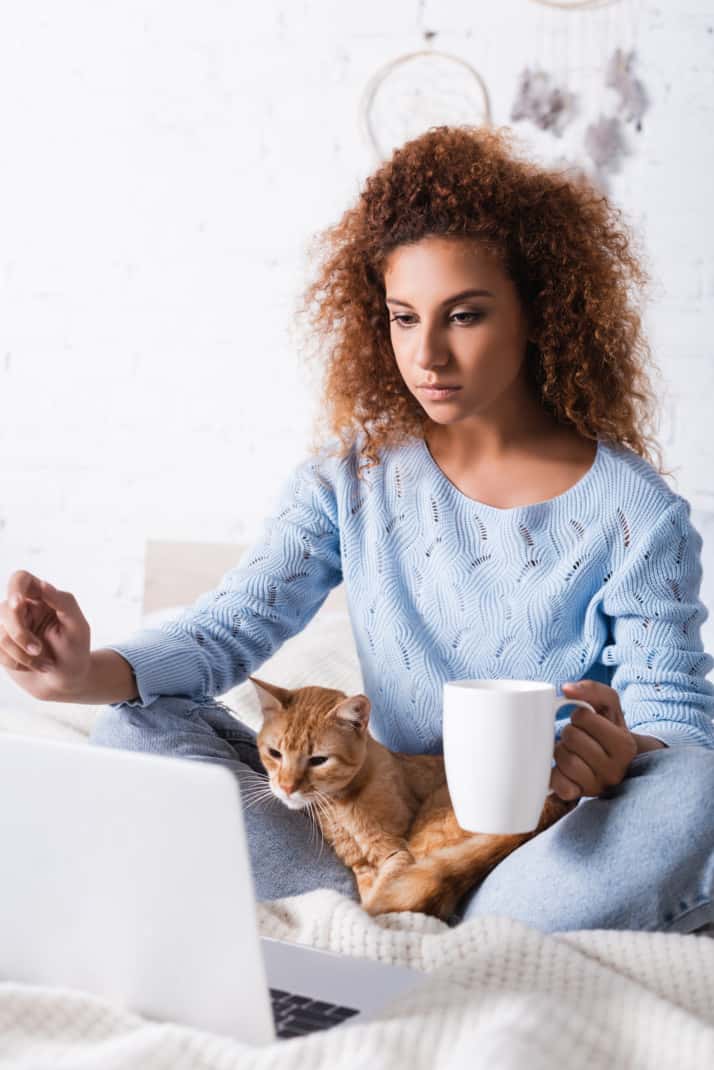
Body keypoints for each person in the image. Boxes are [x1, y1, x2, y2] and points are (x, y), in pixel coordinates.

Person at [2, 125, 713, 934]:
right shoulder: (350, 477)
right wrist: (75, 672)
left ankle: (463, 912)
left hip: (541, 846)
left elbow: (676, 713)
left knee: (691, 792)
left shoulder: (635, 511)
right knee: (134, 724)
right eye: (404, 318)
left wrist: (627, 751)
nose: (428, 355)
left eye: (466, 316)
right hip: (359, 830)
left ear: (540, 309)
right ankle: (398, 901)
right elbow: (232, 626)